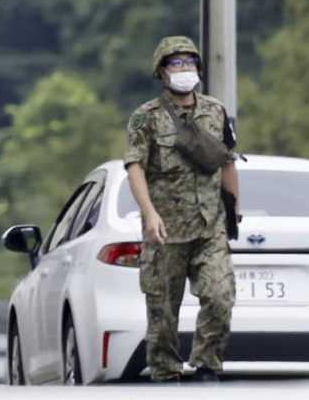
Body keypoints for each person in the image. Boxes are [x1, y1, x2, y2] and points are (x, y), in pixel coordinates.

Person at [125, 36, 239, 383]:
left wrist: (234, 213)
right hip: (166, 231)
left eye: (189, 62)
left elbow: (227, 162)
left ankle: (207, 365)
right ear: (161, 72)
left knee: (220, 297)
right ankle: (166, 374)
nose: (183, 69)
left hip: (209, 227)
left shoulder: (215, 111)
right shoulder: (146, 117)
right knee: (162, 315)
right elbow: (135, 167)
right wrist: (149, 214)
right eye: (175, 63)